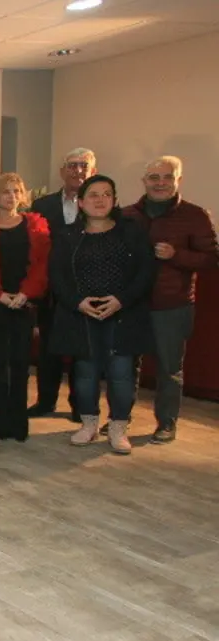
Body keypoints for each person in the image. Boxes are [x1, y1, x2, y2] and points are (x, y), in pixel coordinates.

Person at [49, 175, 157, 454]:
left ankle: (119, 427)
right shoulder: (67, 236)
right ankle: (88, 424)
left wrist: (121, 300)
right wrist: (76, 302)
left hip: (122, 313)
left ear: (114, 200)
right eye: (93, 195)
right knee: (85, 374)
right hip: (82, 315)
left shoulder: (131, 232)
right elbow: (57, 276)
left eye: (106, 194)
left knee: (121, 373)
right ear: (81, 202)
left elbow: (146, 273)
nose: (100, 200)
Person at [122, 156, 216, 443]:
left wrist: (177, 256)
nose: (160, 182)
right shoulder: (127, 215)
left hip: (172, 305)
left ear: (177, 180)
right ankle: (119, 420)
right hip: (132, 305)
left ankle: (166, 422)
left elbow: (212, 258)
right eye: (154, 177)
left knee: (169, 369)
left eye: (167, 177)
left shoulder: (196, 215)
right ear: (144, 181)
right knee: (125, 365)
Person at [0, 174, 51, 441]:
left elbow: (42, 264)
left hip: (24, 303)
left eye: (16, 191)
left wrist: (25, 293)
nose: (11, 196)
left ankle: (18, 423)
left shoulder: (34, 225)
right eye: (6, 191)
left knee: (20, 364)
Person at [29, 147, 96, 421]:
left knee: (82, 351)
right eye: (72, 165)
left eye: (83, 165)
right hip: (49, 289)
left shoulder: (100, 205)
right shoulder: (42, 206)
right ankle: (46, 401)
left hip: (85, 290)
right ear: (62, 171)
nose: (77, 170)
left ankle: (80, 405)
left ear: (93, 171)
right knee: (48, 349)